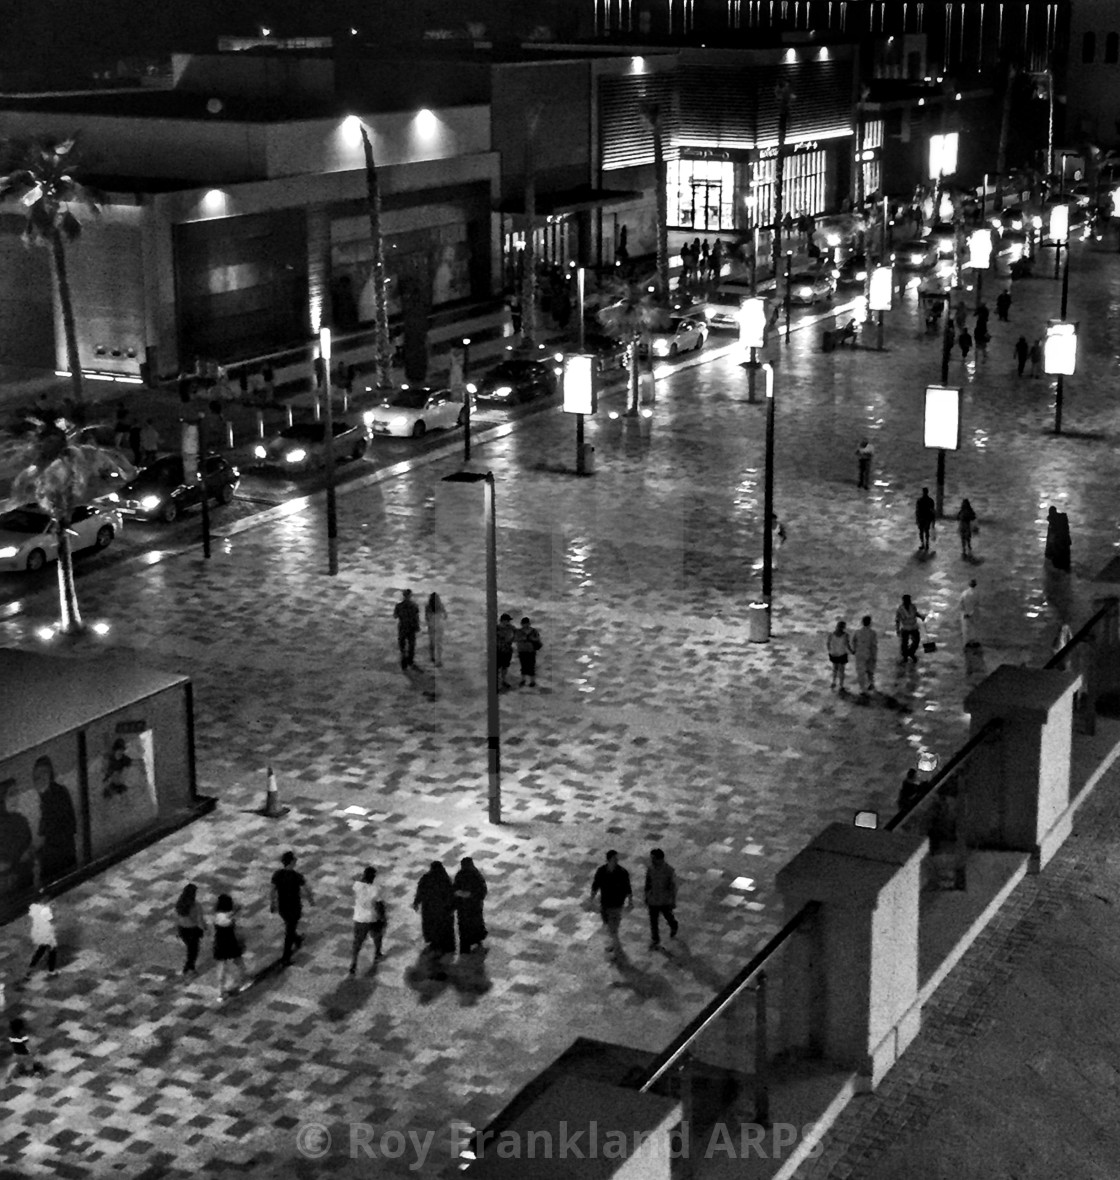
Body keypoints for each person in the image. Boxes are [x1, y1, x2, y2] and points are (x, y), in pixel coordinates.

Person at [32, 756, 76, 884]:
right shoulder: (51, 794)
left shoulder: (55, 795)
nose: (39, 780)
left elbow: (53, 826)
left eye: (42, 775)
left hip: (59, 854)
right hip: (61, 852)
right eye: (36, 777)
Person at [270, 850, 313, 968]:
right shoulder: (297, 876)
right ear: (291, 862)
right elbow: (307, 890)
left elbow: (272, 890)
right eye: (294, 859)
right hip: (294, 907)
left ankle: (297, 938)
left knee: (290, 925)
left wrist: (272, 903)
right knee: (289, 931)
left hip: (282, 907)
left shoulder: (277, 874)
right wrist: (311, 900)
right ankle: (286, 958)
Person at [590, 850, 633, 960]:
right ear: (609, 860)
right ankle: (614, 945)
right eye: (615, 859)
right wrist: (592, 898)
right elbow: (595, 885)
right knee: (608, 927)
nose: (617, 861)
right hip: (605, 904)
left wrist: (630, 901)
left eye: (617, 859)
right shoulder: (601, 871)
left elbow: (628, 887)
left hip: (617, 904)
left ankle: (617, 952)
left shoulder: (622, 872)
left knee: (613, 928)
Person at [413, 861, 456, 959]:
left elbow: (420, 891)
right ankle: (445, 945)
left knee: (431, 926)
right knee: (444, 927)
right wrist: (452, 907)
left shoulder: (426, 878)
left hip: (429, 909)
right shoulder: (445, 880)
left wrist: (416, 902)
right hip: (443, 910)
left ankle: (434, 943)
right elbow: (451, 895)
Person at [349, 866, 386, 975]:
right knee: (377, 936)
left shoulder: (356, 885)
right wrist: (383, 917)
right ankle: (377, 953)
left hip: (359, 918)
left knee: (357, 942)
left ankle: (354, 962)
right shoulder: (376, 889)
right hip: (372, 918)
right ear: (373, 877)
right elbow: (379, 906)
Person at [0, 778, 33, 896]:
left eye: (16, 793)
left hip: (25, 885)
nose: (15, 798)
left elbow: (29, 851)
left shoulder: (21, 821)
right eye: (10, 794)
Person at [212, 893, 249, 1000]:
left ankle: (221, 991)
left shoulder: (217, 916)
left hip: (219, 943)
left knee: (221, 967)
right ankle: (243, 982)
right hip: (230, 942)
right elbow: (231, 920)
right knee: (239, 962)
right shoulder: (227, 919)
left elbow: (227, 916)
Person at [644, 848, 679, 950]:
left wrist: (673, 900)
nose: (652, 861)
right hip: (653, 899)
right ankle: (655, 938)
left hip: (664, 900)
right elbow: (648, 883)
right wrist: (646, 896)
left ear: (660, 859)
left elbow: (672, 887)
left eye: (654, 858)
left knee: (668, 915)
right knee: (653, 920)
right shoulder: (650, 869)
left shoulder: (669, 871)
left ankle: (673, 925)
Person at [453, 857, 488, 955]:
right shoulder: (475, 875)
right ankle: (470, 942)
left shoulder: (469, 875)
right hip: (468, 907)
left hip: (471, 906)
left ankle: (470, 942)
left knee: (470, 924)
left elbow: (482, 891)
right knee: (469, 925)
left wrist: (469, 895)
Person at [25, 891, 58, 979]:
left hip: (37, 932)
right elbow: (51, 919)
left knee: (40, 950)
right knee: (52, 950)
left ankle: (30, 968)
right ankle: (51, 970)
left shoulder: (33, 907)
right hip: (46, 932)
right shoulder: (45, 910)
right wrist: (52, 908)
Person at [174, 883, 206, 975]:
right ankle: (189, 967)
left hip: (182, 930)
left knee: (190, 948)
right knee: (194, 950)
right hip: (193, 930)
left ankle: (189, 966)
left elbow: (176, 918)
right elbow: (200, 920)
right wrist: (204, 928)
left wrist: (177, 930)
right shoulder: (196, 906)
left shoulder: (179, 904)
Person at [851, 616, 879, 699]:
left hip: (860, 653)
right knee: (870, 670)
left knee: (861, 672)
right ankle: (871, 683)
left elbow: (853, 641)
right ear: (870, 623)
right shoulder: (872, 633)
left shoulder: (857, 632)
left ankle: (863, 689)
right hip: (869, 653)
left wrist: (854, 650)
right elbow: (874, 645)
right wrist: (874, 655)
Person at [895, 594, 927, 663]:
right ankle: (905, 657)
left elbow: (915, 613)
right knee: (904, 644)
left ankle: (910, 652)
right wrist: (897, 630)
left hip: (914, 627)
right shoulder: (900, 609)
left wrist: (921, 617)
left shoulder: (913, 607)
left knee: (916, 641)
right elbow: (897, 620)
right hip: (905, 628)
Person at [394, 588, 421, 670]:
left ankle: (404, 660)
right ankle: (410, 660)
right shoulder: (414, 606)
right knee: (411, 645)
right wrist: (417, 626)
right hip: (411, 627)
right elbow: (416, 617)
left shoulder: (398, 606)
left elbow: (395, 616)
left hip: (402, 626)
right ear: (410, 596)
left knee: (402, 644)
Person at [514, 616, 542, 688]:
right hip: (522, 650)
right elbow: (515, 639)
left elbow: (537, 638)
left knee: (531, 666)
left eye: (527, 623)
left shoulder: (533, 631)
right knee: (523, 666)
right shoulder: (519, 631)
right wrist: (522, 639)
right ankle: (523, 680)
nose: (526, 625)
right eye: (524, 623)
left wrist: (531, 639)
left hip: (531, 650)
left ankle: (532, 681)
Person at [827, 619, 854, 692]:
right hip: (842, 654)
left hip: (834, 654)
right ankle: (841, 685)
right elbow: (847, 646)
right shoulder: (846, 635)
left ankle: (833, 682)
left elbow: (828, 644)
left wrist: (830, 650)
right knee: (842, 670)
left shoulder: (831, 635)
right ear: (843, 627)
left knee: (835, 669)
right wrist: (852, 652)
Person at [1045, 505, 1072, 572]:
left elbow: (1051, 538)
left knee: (1059, 555)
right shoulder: (1060, 521)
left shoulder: (1053, 523)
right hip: (1062, 542)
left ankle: (1061, 565)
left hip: (1059, 543)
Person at [425, 592, 447, 667]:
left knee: (432, 642)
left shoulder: (428, 606)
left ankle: (432, 657)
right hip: (439, 625)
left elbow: (426, 617)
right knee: (439, 643)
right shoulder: (441, 606)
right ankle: (439, 659)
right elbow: (445, 616)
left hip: (431, 625)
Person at [496, 613, 516, 691]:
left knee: (505, 666)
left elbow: (517, 635)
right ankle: (497, 684)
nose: (509, 622)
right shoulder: (496, 628)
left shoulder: (511, 628)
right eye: (507, 621)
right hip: (498, 650)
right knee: (496, 668)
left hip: (507, 651)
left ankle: (503, 681)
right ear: (503, 621)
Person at [959, 579, 980, 648]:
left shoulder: (964, 593)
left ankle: (966, 642)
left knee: (965, 628)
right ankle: (974, 641)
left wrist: (964, 612)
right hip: (974, 612)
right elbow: (977, 604)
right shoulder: (976, 593)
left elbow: (961, 603)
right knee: (974, 627)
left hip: (965, 612)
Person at [915, 487, 937, 552]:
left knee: (921, 532)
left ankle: (923, 544)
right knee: (926, 531)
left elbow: (917, 510)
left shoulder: (919, 500)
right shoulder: (930, 500)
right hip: (928, 517)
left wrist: (917, 518)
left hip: (922, 518)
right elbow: (933, 510)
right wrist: (933, 520)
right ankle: (926, 544)